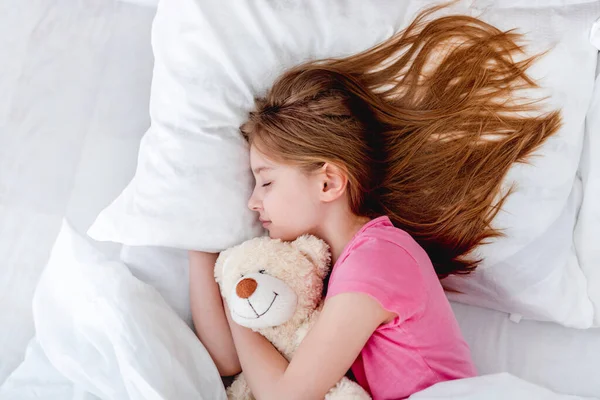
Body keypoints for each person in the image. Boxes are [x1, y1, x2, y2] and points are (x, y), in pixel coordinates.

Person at [189, 4, 561, 399]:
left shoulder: (378, 258)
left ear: (329, 182)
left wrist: (241, 298)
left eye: (266, 182)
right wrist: (202, 250)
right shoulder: (318, 269)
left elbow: (288, 397)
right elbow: (228, 360)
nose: (252, 202)